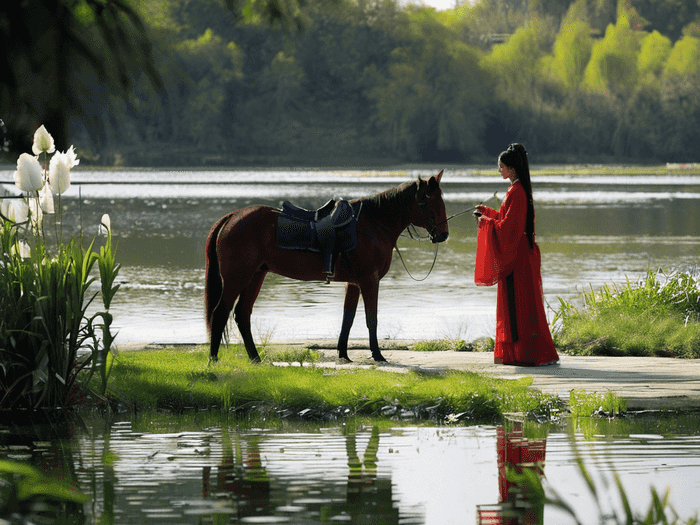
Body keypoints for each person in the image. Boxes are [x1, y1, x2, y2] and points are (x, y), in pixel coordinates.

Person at [474, 143, 559, 366]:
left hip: (517, 256)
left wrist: (486, 223)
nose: (499, 170)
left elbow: (507, 228)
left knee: (519, 305)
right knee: (522, 304)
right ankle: (521, 353)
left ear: (511, 169)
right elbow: (506, 222)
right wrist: (487, 214)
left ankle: (524, 354)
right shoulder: (517, 190)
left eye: (501, 167)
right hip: (521, 252)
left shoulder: (517, 192)